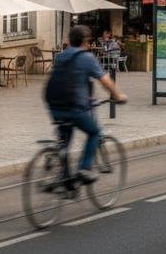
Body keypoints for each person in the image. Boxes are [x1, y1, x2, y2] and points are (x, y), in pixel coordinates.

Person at [46, 24, 126, 184]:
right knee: (94, 133)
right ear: (85, 41)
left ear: (70, 40)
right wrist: (118, 96)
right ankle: (84, 168)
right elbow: (106, 81)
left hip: (54, 106)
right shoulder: (87, 58)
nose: (89, 45)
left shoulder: (60, 57)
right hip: (75, 107)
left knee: (65, 142)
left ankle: (63, 179)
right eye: (89, 42)